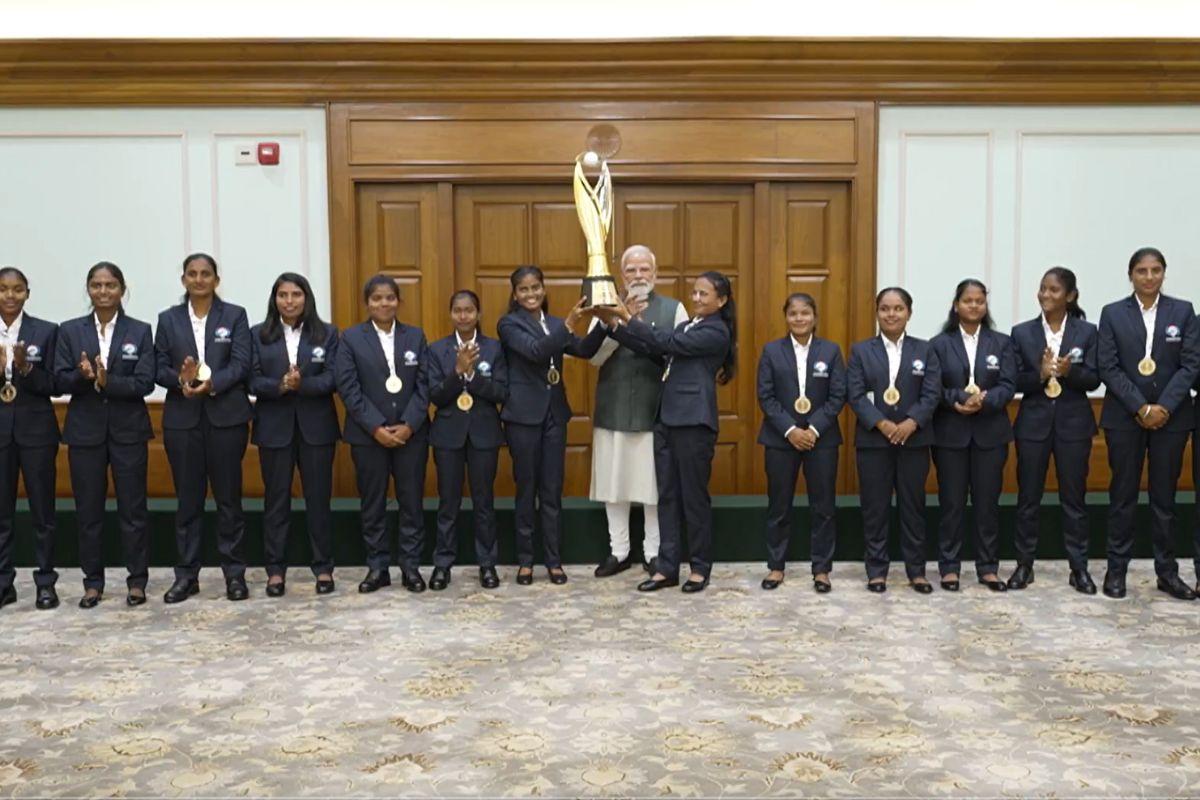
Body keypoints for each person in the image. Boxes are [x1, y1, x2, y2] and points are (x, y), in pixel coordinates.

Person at [597, 270, 736, 594]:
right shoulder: (689, 325)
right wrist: (618, 327)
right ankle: (667, 567)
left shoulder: (717, 331)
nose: (697, 298)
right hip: (667, 419)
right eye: (695, 293)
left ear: (722, 300)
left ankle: (700, 568)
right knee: (668, 497)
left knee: (693, 498)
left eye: (705, 294)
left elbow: (667, 341)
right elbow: (657, 350)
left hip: (693, 423)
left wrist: (628, 317)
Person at [1098, 247, 1200, 601]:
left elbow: (1190, 364)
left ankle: (1167, 573)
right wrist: (1141, 407)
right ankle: (1116, 571)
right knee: (1122, 496)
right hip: (1125, 418)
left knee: (1164, 499)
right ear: (1131, 275)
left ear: (1164, 274)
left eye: (1156, 270)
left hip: (1171, 420)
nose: (1149, 276)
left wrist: (1164, 407)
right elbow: (1107, 367)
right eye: (1142, 271)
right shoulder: (1112, 313)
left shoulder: (1183, 312)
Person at [497, 265, 606, 585]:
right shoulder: (508, 324)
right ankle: (526, 561)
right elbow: (535, 352)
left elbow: (584, 350)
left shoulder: (556, 324)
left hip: (554, 416)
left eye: (536, 288)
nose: (531, 294)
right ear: (515, 295)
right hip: (522, 418)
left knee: (552, 490)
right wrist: (570, 325)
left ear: (543, 289)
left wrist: (606, 323)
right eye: (524, 290)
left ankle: (554, 560)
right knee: (526, 489)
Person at [54, 262, 154, 608]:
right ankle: (92, 583)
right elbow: (58, 381)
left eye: (110, 285)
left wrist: (107, 380)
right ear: (88, 290)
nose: (103, 291)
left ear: (122, 290)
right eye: (96, 285)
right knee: (89, 511)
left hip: (128, 431)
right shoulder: (69, 331)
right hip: (85, 432)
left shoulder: (140, 331)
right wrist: (83, 377)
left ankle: (137, 581)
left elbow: (145, 382)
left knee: (133, 509)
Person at [155, 252, 253, 604]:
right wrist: (179, 380)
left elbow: (243, 363)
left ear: (216, 279)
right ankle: (187, 576)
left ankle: (234, 575)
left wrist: (212, 385)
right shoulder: (168, 319)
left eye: (206, 274)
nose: (199, 279)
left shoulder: (235, 316)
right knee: (188, 501)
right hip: (183, 421)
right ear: (183, 280)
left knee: (229, 500)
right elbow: (157, 366)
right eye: (192, 274)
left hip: (227, 417)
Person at [586, 245, 686, 578]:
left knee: (653, 488)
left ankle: (653, 552)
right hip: (613, 408)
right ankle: (619, 551)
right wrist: (616, 322)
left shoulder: (675, 309)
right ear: (622, 274)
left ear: (655, 274)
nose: (638, 276)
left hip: (653, 410)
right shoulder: (605, 307)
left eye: (645, 269)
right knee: (614, 486)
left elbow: (679, 355)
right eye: (631, 270)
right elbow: (593, 356)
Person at [334, 274, 430, 594]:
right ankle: (378, 567)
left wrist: (409, 424)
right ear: (367, 303)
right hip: (367, 436)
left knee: (411, 502)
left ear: (398, 301)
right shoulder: (350, 339)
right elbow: (349, 389)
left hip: (410, 435)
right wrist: (376, 427)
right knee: (372, 502)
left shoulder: (415, 337)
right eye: (377, 298)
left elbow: (424, 386)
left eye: (390, 297)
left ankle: (410, 566)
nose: (384, 303)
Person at [1008, 267, 1100, 594]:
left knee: (1074, 499)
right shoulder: (1021, 333)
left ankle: (1079, 568)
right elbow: (1013, 381)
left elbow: (1095, 378)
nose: (1046, 295)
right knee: (1028, 497)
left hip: (1074, 424)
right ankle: (1024, 565)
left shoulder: (1088, 332)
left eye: (1054, 290)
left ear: (1070, 296)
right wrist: (1040, 372)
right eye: (1042, 289)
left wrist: (1068, 372)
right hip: (1032, 424)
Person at [250, 272, 340, 597]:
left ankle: (324, 568)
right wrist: (280, 386)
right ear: (274, 299)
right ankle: (275, 571)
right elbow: (250, 379)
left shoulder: (327, 334)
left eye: (296, 294)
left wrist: (304, 385)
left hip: (316, 428)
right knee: (276, 502)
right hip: (274, 428)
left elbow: (333, 378)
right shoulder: (258, 335)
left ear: (307, 298)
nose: (289, 301)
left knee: (319, 501)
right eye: (283, 295)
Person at [847, 287, 941, 594]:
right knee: (875, 508)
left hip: (914, 441)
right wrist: (884, 424)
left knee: (913, 507)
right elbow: (856, 395)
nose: (891, 314)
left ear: (909, 313)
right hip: (874, 442)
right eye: (885, 308)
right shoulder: (861, 351)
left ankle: (917, 571)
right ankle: (877, 571)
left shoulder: (925, 350)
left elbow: (931, 393)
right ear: (877, 312)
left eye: (898, 308)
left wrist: (911, 422)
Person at [929, 279, 1016, 592]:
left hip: (990, 434)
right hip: (950, 434)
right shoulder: (938, 344)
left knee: (987, 504)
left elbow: (1009, 384)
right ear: (956, 305)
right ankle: (949, 568)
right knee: (951, 503)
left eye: (980, 301)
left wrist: (984, 400)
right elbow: (933, 387)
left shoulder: (1002, 343)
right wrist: (957, 400)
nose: (974, 306)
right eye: (968, 301)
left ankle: (988, 567)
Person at [756, 292, 845, 592]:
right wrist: (791, 430)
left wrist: (814, 429)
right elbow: (765, 397)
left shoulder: (831, 352)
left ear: (814, 317)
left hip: (822, 440)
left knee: (823, 506)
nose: (799, 318)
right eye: (793, 313)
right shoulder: (771, 351)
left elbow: (837, 397)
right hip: (781, 440)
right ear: (786, 317)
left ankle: (821, 569)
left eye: (805, 313)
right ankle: (776, 566)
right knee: (779, 506)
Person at [426, 290, 507, 590]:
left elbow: (501, 392)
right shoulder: (436, 350)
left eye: (469, 310)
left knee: (484, 502)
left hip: (484, 433)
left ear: (478, 314)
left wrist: (472, 377)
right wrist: (457, 372)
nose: (463, 315)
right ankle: (442, 565)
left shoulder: (496, 349)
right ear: (451, 314)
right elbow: (434, 395)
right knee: (448, 503)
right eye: (458, 310)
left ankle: (487, 564)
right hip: (448, 435)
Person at [0, 267, 61, 610]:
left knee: (43, 510)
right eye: (3, 289)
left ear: (27, 293)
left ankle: (45, 583)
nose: (10, 296)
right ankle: (3, 582)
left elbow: (54, 385)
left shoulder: (46, 331)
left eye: (17, 289)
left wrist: (25, 369)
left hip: (37, 430)